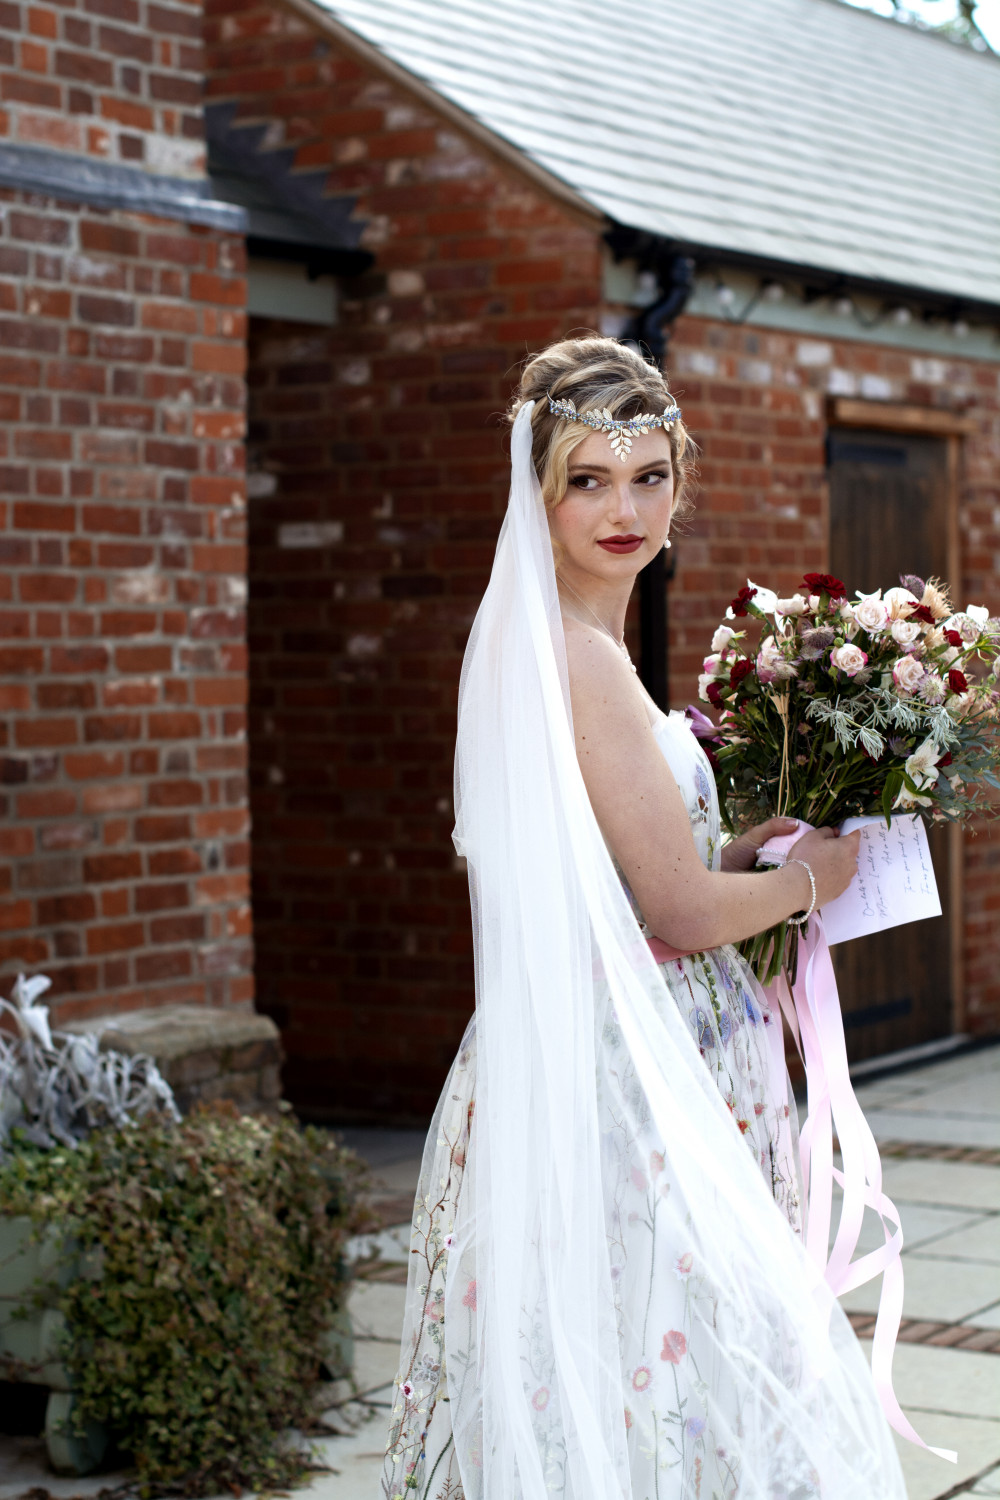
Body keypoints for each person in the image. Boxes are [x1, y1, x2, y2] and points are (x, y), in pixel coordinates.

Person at [381, 338, 906, 1500]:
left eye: (648, 475)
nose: (624, 508)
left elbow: (620, 874)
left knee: (619, 1337)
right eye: (587, 478)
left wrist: (740, 849)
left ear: (680, 480)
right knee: (671, 1342)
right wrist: (812, 877)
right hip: (630, 1065)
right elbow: (674, 909)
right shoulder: (582, 662)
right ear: (539, 490)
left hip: (584, 1032)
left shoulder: (559, 646)